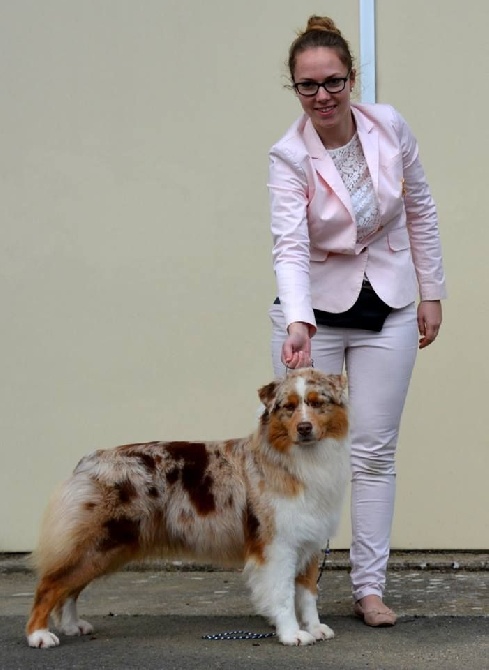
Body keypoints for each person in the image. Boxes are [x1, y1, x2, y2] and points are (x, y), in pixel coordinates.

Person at [268, 15, 446, 627]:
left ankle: (369, 590)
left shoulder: (389, 125)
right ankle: (301, 590)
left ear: (351, 78)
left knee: (373, 452)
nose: (322, 96)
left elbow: (419, 206)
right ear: (293, 87)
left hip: (392, 302)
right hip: (313, 314)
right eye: (307, 85)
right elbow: (288, 246)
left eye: (333, 82)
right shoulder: (288, 156)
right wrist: (298, 322)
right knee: (302, 456)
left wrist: (432, 292)